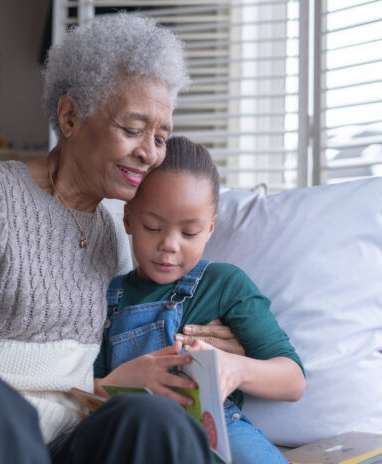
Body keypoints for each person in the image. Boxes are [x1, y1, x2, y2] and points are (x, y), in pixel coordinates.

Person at [0, 14, 243, 464]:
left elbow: (128, 333)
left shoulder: (112, 234)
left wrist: (215, 340)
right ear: (71, 116)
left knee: (154, 420)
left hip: (63, 443)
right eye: (134, 130)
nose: (150, 153)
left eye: (160, 136)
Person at [95, 136, 307, 463]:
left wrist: (235, 369)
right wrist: (115, 383)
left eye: (189, 233)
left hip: (218, 430)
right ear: (128, 220)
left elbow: (292, 381)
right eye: (152, 227)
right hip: (138, 435)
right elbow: (87, 390)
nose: (169, 245)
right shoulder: (109, 297)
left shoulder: (224, 284)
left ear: (209, 229)